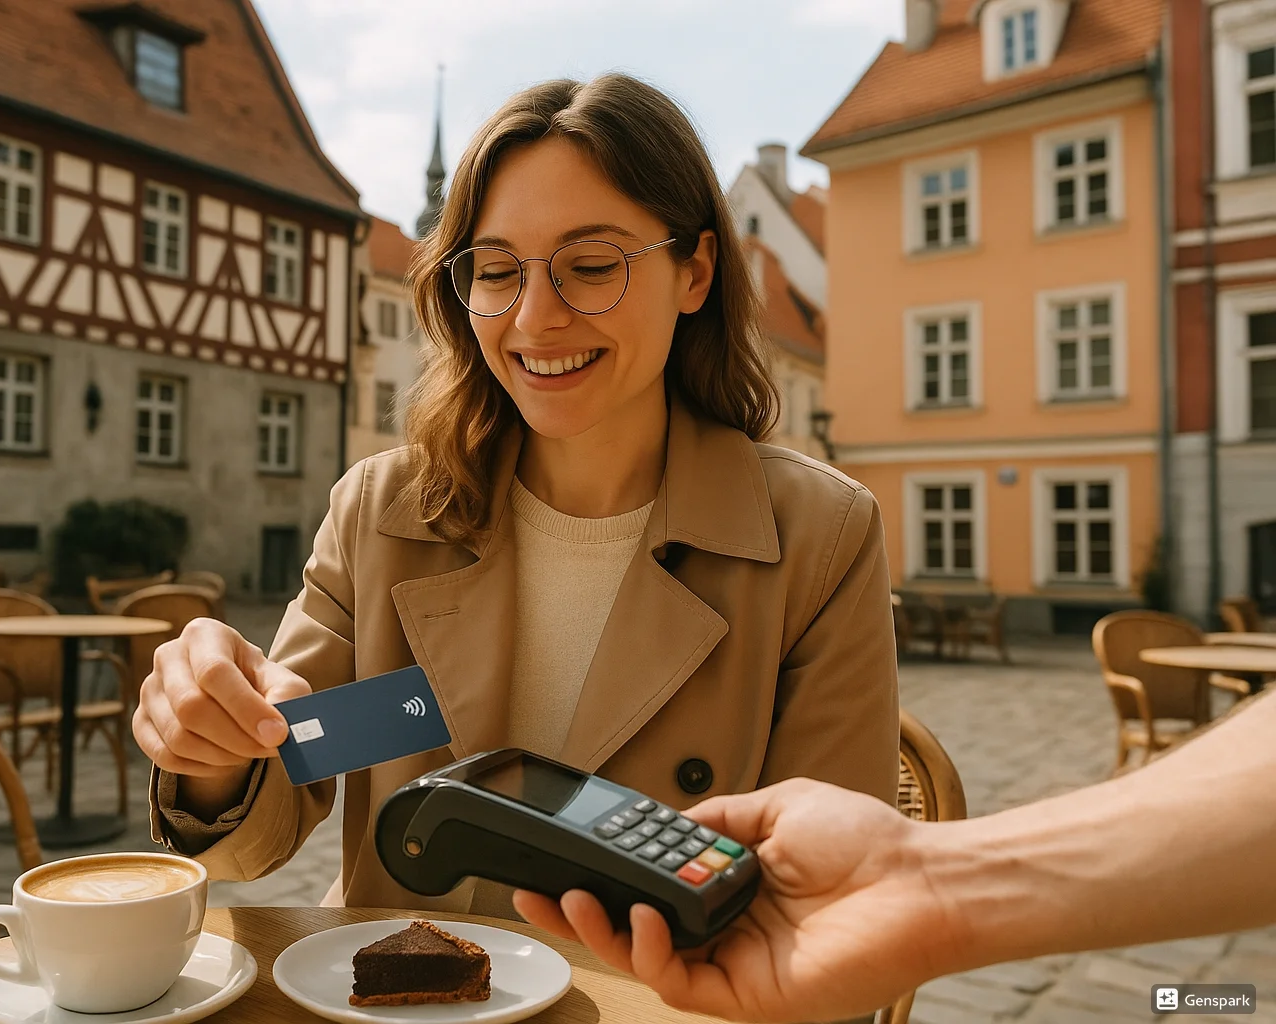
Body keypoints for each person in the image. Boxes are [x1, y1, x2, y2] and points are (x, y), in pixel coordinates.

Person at [132, 73, 899, 923]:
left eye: (592, 265)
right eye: (497, 271)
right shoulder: (383, 516)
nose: (536, 318)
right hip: (402, 1004)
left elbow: (832, 910)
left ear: (696, 272)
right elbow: (278, 800)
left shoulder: (818, 538)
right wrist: (215, 744)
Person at [514, 689, 1276, 1024]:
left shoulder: (816, 519)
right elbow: (389, 736)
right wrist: (927, 876)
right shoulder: (388, 505)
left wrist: (926, 877)